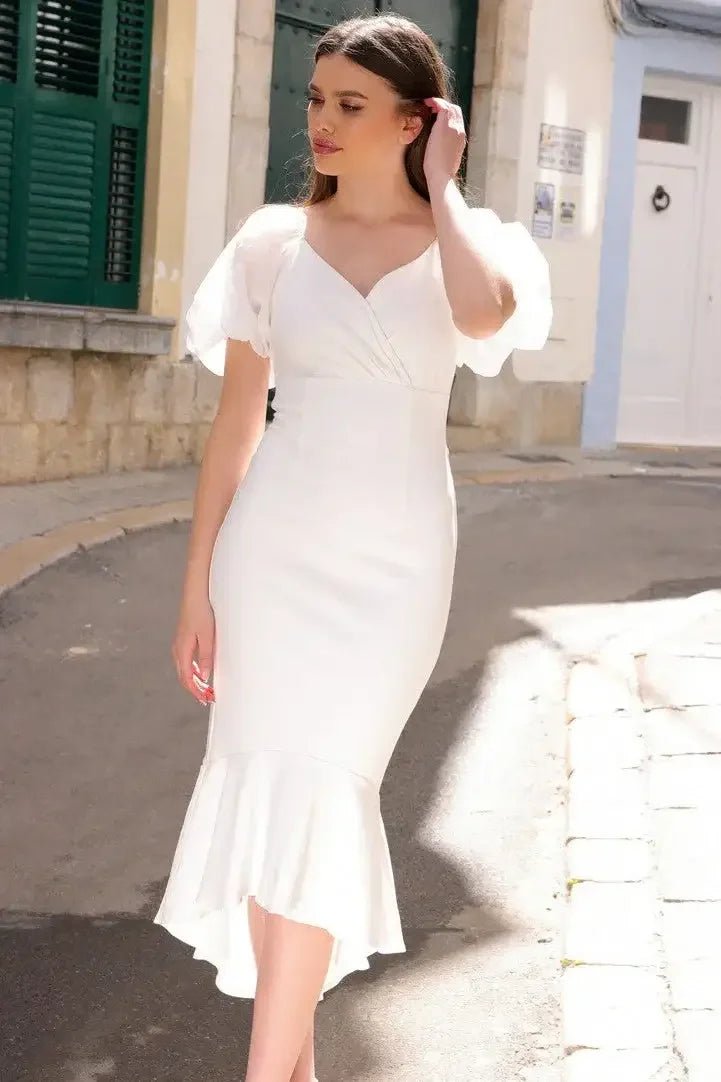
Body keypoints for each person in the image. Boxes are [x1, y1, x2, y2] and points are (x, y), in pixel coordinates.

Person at [153, 12, 552, 1082]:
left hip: (394, 568)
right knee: (274, 789)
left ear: (416, 123)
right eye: (315, 100)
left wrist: (448, 187)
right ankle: (280, 1066)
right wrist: (197, 587)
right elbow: (235, 426)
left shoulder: (468, 247)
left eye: (348, 104)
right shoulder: (270, 245)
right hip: (271, 553)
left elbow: (484, 315)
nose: (319, 122)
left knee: (331, 786)